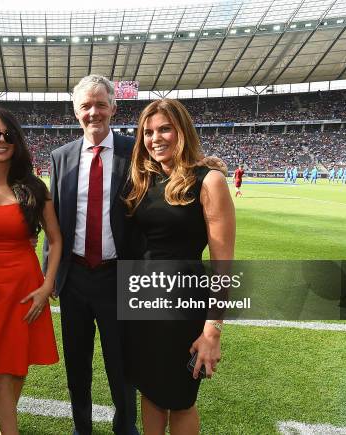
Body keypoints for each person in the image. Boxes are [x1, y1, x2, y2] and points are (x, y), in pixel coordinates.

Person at [123, 99, 235, 434]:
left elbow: (223, 265)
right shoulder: (144, 180)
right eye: (148, 132)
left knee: (181, 399)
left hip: (183, 306)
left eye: (164, 129)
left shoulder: (209, 181)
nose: (155, 138)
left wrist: (212, 330)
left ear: (182, 131)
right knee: (151, 391)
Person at [43, 74, 139, 435]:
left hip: (120, 278)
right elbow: (54, 222)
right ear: (75, 111)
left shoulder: (136, 151)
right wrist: (49, 273)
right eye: (86, 105)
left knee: (123, 366)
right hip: (76, 280)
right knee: (77, 366)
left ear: (113, 107)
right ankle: (81, 428)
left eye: (100, 104)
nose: (93, 112)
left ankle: (125, 428)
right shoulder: (61, 157)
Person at [0, 107, 61, 434]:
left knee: (15, 367)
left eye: (7, 135)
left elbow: (56, 241)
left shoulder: (35, 188)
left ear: (17, 143)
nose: (0, 140)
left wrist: (47, 286)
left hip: (25, 288)